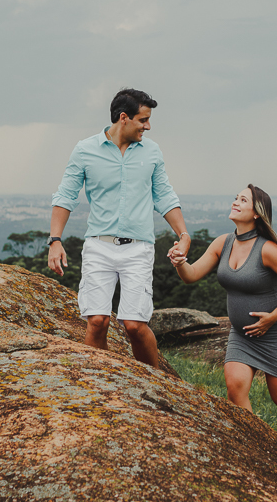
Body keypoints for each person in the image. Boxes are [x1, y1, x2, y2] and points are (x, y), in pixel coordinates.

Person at [167, 184, 277, 475]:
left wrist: (272, 318)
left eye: (242, 200)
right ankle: (255, 450)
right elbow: (191, 276)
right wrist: (180, 263)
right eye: (236, 197)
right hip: (242, 336)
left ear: (257, 213)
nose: (235, 202)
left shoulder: (268, 250)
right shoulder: (222, 243)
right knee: (235, 387)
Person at [48, 88, 190, 369]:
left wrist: (183, 235)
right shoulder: (85, 149)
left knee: (135, 325)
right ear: (123, 118)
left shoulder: (152, 151)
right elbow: (65, 196)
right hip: (99, 246)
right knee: (97, 321)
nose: (148, 126)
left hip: (138, 248)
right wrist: (55, 240)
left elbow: (164, 196)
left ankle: (158, 383)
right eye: (143, 120)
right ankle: (97, 384)